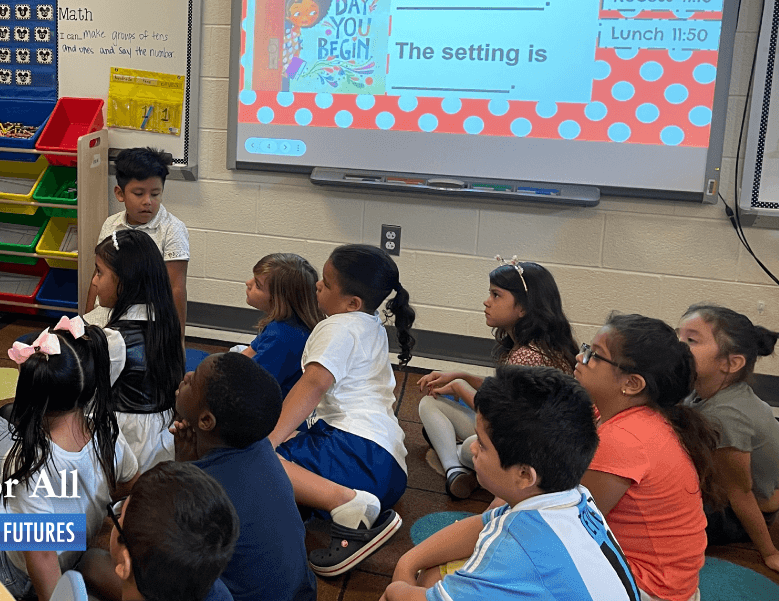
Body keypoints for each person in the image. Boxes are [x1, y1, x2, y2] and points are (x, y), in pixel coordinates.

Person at [384, 365, 640, 601]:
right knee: (430, 576)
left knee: (404, 590)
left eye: (482, 445)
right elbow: (483, 525)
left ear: (525, 476)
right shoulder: (573, 495)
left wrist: (397, 587)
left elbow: (406, 595)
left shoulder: (512, 550)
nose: (472, 448)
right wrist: (408, 562)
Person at [0, 321, 139, 600]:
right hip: (73, 552)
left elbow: (41, 555)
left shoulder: (27, 461)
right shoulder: (107, 432)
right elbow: (129, 483)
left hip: (14, 573)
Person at [268, 244, 414, 577]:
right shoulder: (370, 324)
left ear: (352, 302)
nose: (317, 285)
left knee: (252, 458)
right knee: (292, 440)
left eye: (326, 283)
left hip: (358, 459)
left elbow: (314, 384)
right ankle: (328, 501)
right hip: (390, 472)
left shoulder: (337, 327)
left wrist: (269, 440)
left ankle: (346, 505)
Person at [576, 314, 720, 601]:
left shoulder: (626, 438)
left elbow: (569, 522)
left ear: (631, 383)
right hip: (665, 583)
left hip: (650, 590)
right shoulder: (625, 416)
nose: (580, 357)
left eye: (595, 355)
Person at [416, 258, 577, 499]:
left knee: (471, 448)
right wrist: (464, 376)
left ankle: (453, 464)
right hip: (526, 439)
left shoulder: (527, 356)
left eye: (496, 295)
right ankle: (457, 466)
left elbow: (499, 417)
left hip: (529, 453)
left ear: (523, 308)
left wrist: (460, 387)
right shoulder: (538, 345)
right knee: (432, 402)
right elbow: (503, 392)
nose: (487, 301)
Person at [170, 352, 316, 601]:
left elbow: (163, 549)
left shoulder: (203, 493)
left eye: (193, 382)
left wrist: (181, 470)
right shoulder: (260, 447)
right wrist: (187, 464)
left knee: (100, 564)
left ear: (206, 420)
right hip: (300, 593)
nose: (188, 375)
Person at [678, 305, 779, 573]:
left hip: (739, 514)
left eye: (691, 340)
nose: (677, 346)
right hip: (730, 492)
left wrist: (769, 553)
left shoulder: (725, 417)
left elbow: (740, 494)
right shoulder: (706, 389)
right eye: (678, 336)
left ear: (730, 363)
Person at [85, 230, 185, 473]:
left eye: (99, 272)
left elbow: (83, 401)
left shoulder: (114, 339)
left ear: (125, 282)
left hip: (123, 452)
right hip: (161, 450)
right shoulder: (166, 322)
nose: (95, 281)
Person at [89, 461, 238, 601]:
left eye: (118, 517)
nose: (114, 518)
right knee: (90, 562)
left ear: (125, 563)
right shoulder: (211, 586)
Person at [89, 147, 189, 334]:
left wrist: (178, 339)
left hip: (146, 325)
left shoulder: (172, 229)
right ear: (120, 194)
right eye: (138, 193)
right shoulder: (111, 224)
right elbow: (97, 277)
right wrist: (86, 322)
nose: (147, 201)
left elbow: (176, 288)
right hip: (106, 318)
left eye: (155, 194)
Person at [236, 253, 322, 398]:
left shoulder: (282, 337)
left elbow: (250, 388)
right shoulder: (282, 322)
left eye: (258, 285)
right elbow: (246, 356)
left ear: (278, 300)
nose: (248, 283)